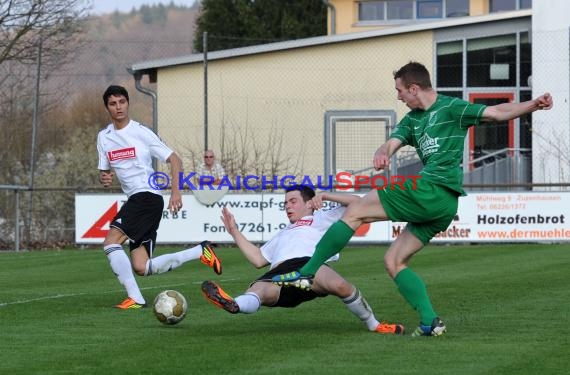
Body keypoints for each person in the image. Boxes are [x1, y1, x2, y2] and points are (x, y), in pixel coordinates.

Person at [273, 61, 553, 337]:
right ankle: (430, 321)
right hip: (443, 206)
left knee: (356, 209)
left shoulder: (451, 108)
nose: (398, 96)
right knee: (394, 261)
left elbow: (496, 112)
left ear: (414, 88)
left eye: (400, 91)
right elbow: (392, 142)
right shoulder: (412, 120)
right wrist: (384, 152)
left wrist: (532, 104)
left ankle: (307, 271)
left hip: (431, 189)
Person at [201, 185, 404, 334]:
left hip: (310, 265)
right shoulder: (282, 233)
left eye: (292, 201)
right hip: (280, 272)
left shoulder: (323, 217)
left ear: (309, 204)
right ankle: (234, 304)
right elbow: (258, 259)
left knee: (341, 286)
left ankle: (375, 325)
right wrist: (234, 231)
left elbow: (359, 203)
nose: (287, 206)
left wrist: (324, 195)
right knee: (258, 291)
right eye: (285, 204)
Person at [97, 85, 222, 309]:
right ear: (107, 107)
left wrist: (176, 192)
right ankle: (200, 251)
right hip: (137, 199)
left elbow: (174, 159)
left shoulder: (141, 132)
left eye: (122, 102)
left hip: (146, 196)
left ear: (127, 103)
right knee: (141, 266)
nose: (118, 107)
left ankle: (135, 298)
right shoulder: (104, 137)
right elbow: (104, 171)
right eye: (113, 104)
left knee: (110, 242)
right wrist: (104, 178)